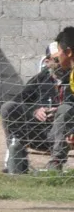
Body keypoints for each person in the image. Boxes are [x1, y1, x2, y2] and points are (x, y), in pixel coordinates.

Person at [1, 41, 66, 174]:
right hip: (38, 132)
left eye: (64, 57)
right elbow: (19, 100)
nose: (61, 62)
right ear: (47, 62)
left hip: (64, 135)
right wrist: (34, 110)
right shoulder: (40, 79)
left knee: (64, 112)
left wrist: (60, 111)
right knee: (8, 107)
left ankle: (55, 168)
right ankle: (17, 162)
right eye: (57, 59)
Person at [48, 27, 74, 172]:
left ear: (69, 52)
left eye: (59, 51)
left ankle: (55, 166)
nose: (57, 56)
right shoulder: (71, 75)